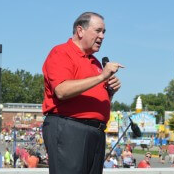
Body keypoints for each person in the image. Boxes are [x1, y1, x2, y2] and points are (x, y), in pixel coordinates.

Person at [42, 12, 123, 174]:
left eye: (104, 32)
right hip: (70, 129)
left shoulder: (95, 61)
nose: (102, 36)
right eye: (98, 31)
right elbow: (62, 91)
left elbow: (96, 100)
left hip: (95, 132)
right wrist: (102, 77)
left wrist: (110, 93)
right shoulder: (62, 52)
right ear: (80, 31)